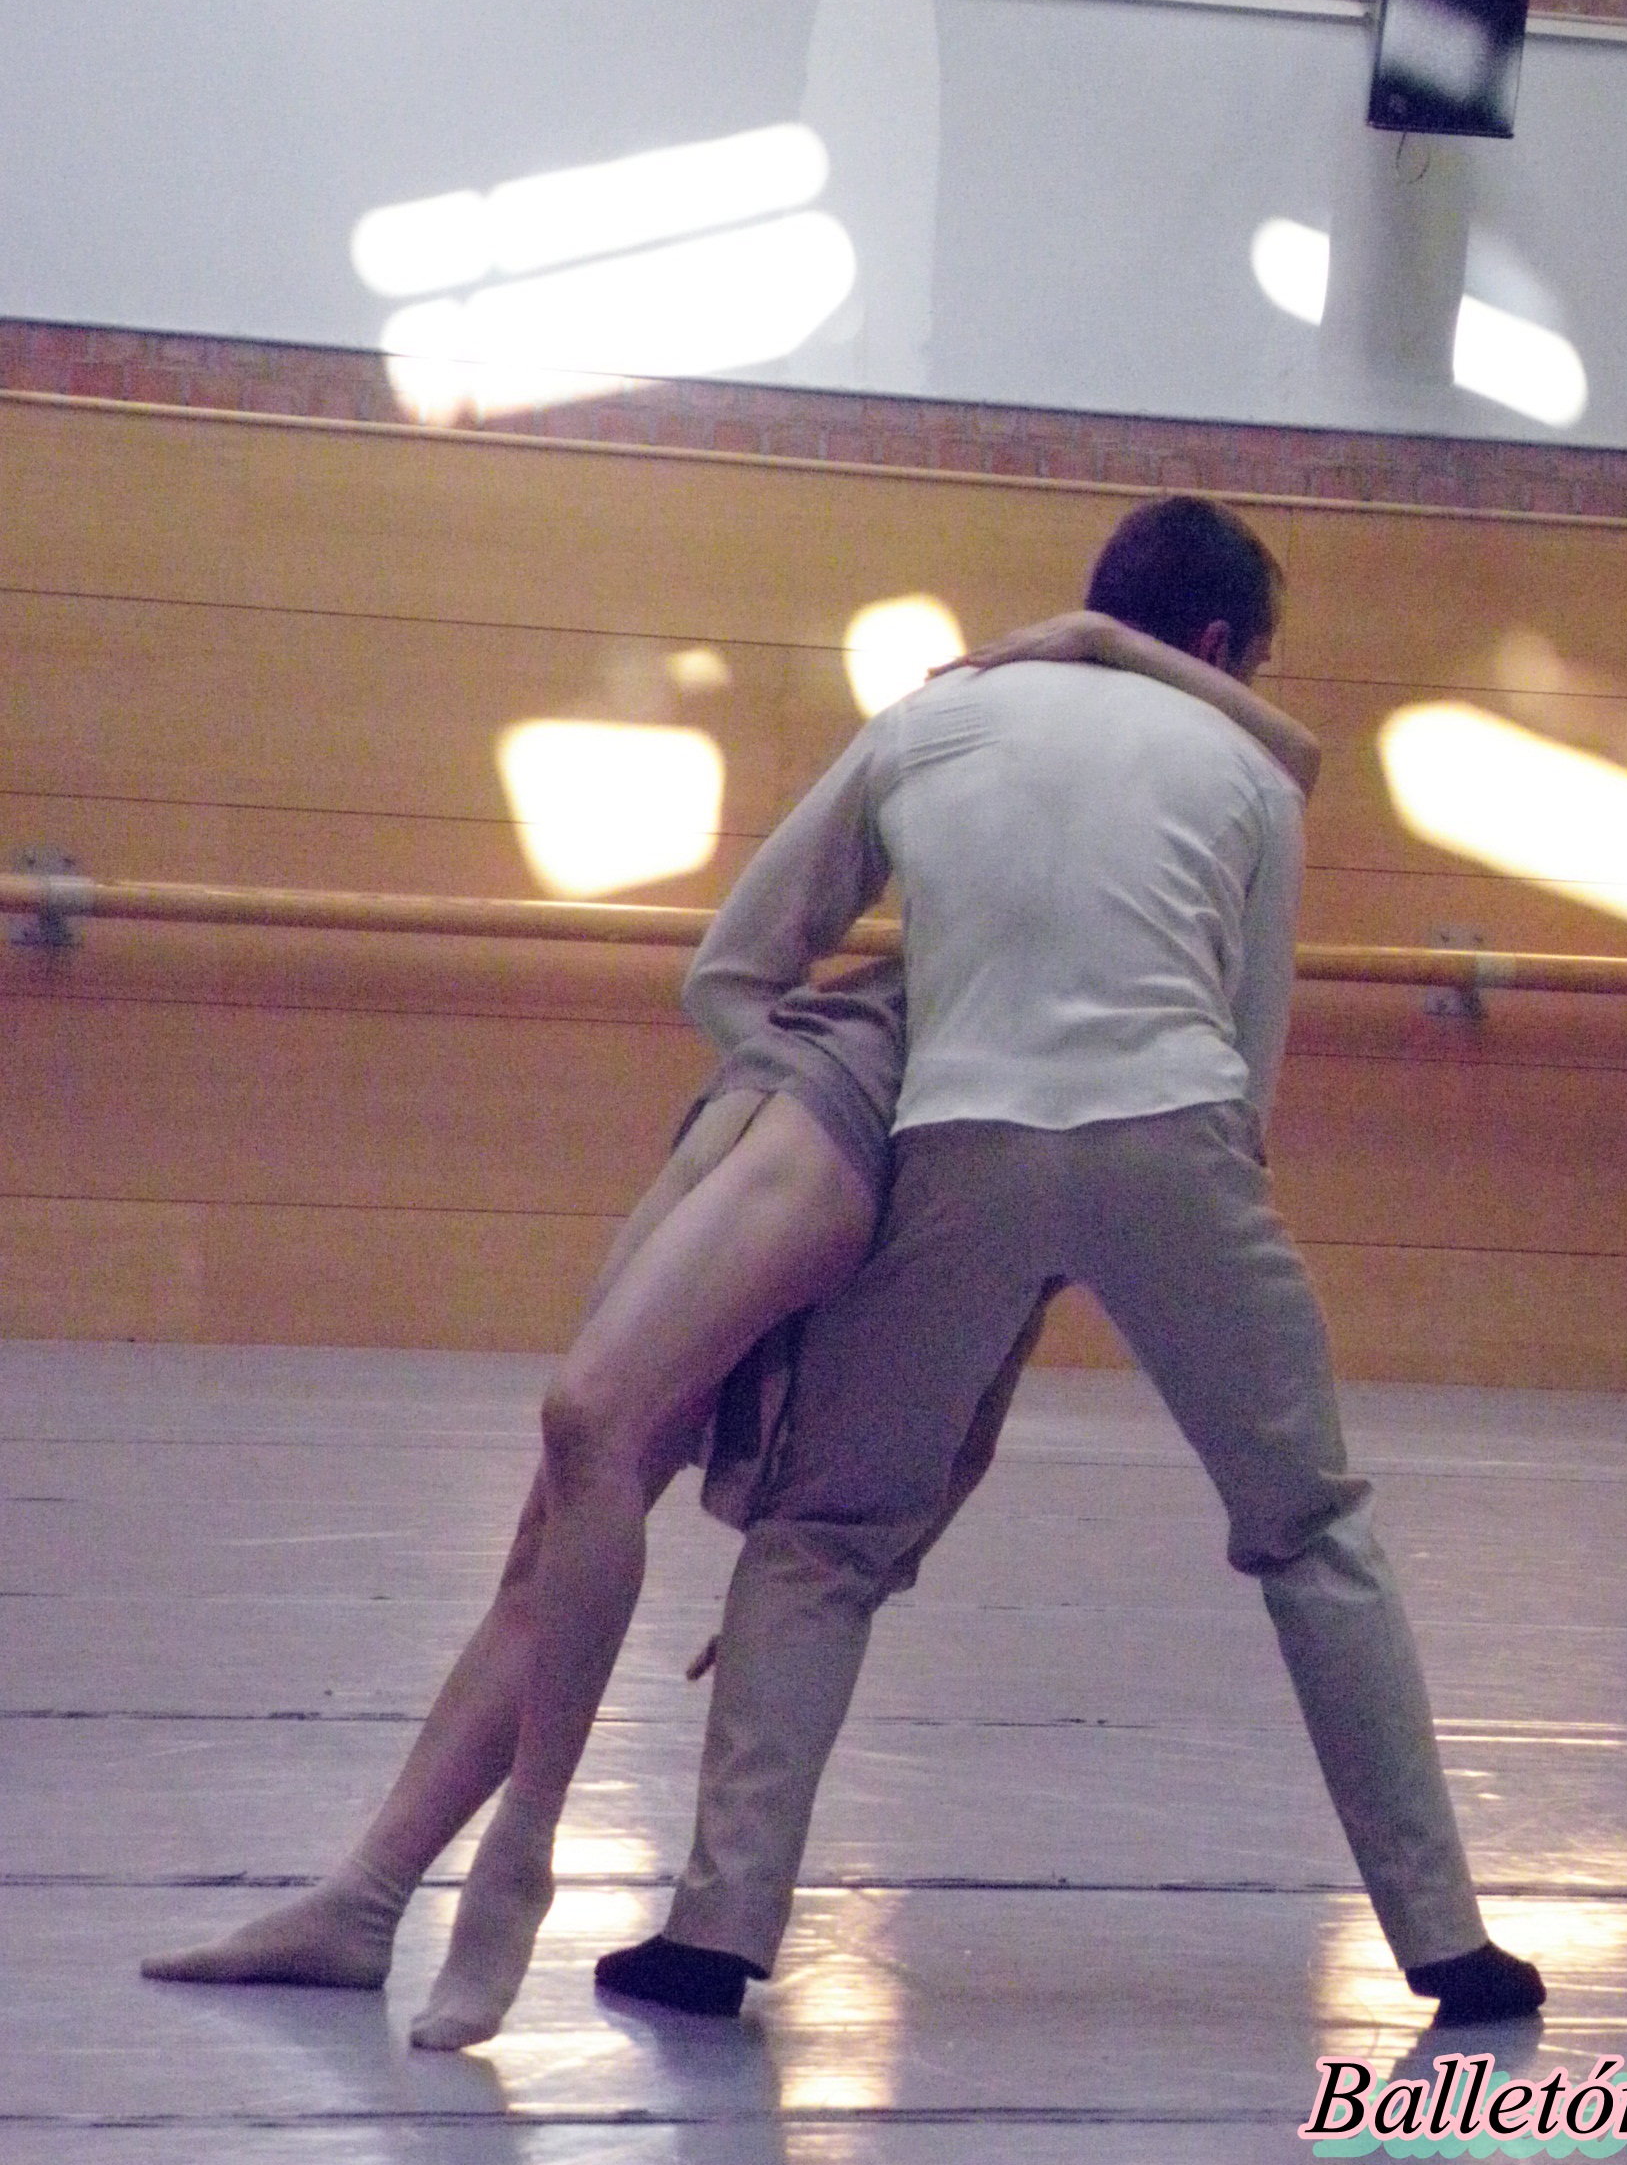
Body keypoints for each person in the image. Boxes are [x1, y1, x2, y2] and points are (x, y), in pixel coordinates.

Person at [139, 589, 1322, 2049]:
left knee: (587, 1426)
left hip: (866, 1106)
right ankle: (370, 1896)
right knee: (570, 1492)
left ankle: (517, 1857)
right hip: (828, 1083)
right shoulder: (1066, 750)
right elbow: (736, 975)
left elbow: (760, 995)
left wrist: (1097, 637)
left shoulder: (1083, 768)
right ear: (1221, 651)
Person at [593, 495, 1544, 2034]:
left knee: (823, 1537)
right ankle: (1448, 1945)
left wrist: (838, 1122)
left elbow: (733, 972)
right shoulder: (1249, 767)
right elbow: (1247, 1070)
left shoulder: (929, 722)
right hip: (1180, 1142)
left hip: (951, 1142)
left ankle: (714, 1933)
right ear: (1223, 645)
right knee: (1313, 1531)